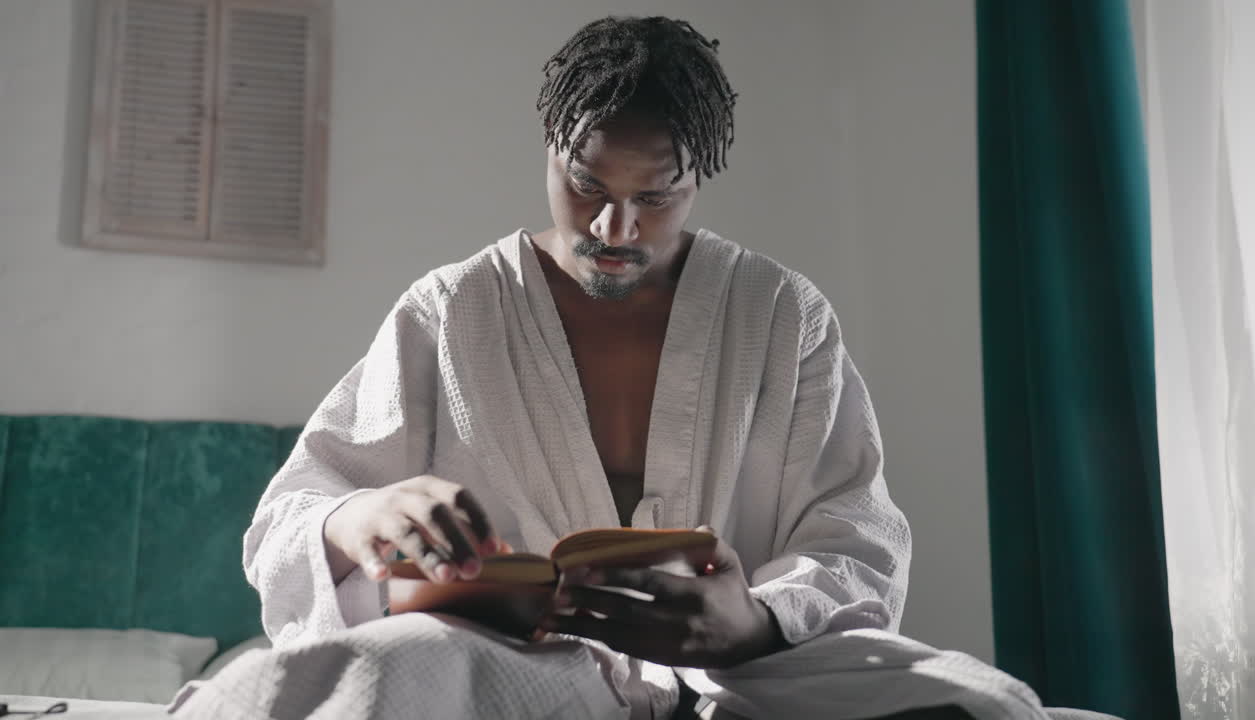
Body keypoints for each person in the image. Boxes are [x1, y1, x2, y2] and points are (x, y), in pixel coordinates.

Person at [233, 15, 930, 720]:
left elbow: (856, 537)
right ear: (551, 148)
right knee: (353, 679)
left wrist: (754, 621)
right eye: (587, 185)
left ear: (698, 178)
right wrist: (359, 516)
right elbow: (286, 523)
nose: (613, 229)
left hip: (742, 681)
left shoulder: (781, 314)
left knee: (978, 697)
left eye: (654, 198)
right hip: (519, 679)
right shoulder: (450, 311)